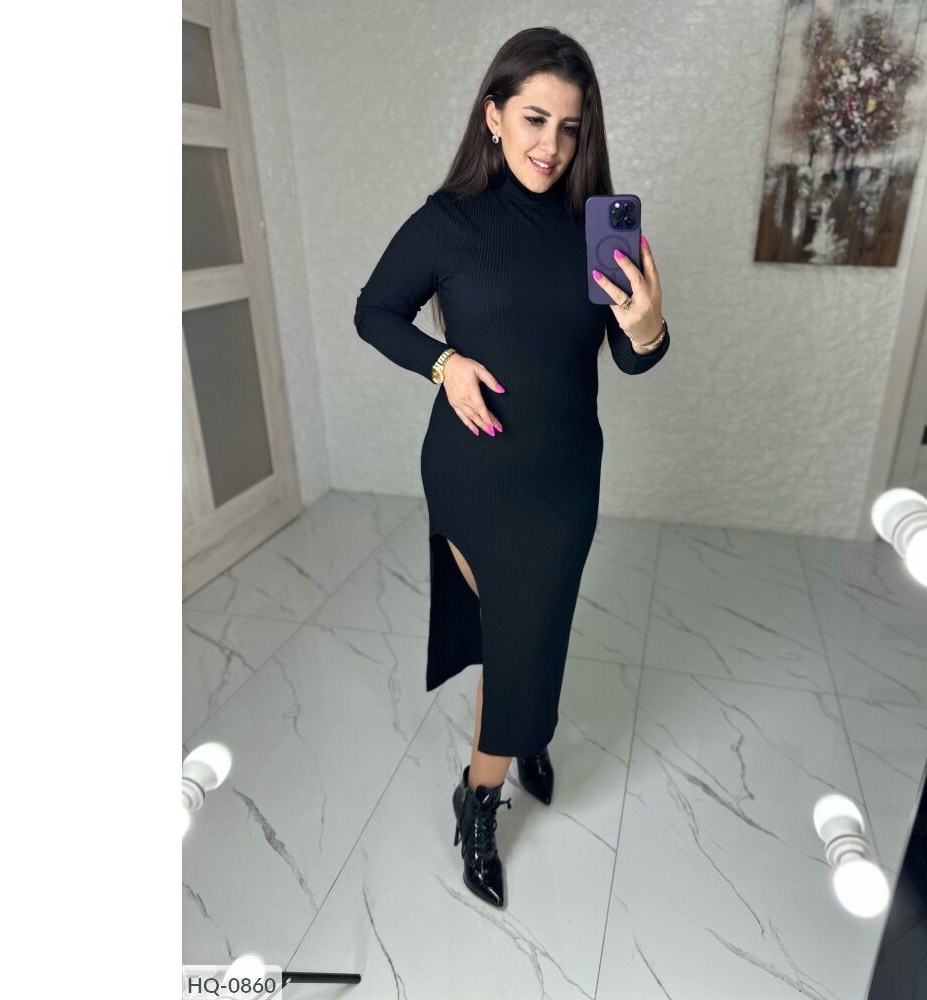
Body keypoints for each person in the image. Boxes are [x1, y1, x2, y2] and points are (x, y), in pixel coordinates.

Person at [353, 26, 671, 909]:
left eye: (570, 128)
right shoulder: (448, 221)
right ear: (493, 115)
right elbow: (374, 312)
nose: (550, 145)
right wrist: (442, 363)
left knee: (536, 626)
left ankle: (527, 730)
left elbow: (634, 358)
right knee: (518, 635)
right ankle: (479, 795)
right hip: (475, 470)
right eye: (534, 119)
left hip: (567, 477)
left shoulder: (592, 228)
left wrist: (647, 323)